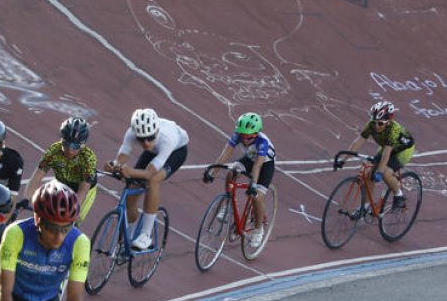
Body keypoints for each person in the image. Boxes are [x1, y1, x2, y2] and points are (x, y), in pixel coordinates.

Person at [103, 107, 189, 250]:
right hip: (154, 152)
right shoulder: (131, 133)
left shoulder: (167, 138)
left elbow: (149, 173)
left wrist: (129, 171)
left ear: (156, 132)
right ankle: (127, 238)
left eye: (150, 138)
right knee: (132, 190)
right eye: (142, 140)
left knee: (153, 181)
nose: (146, 143)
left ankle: (145, 235)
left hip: (176, 151)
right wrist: (114, 165)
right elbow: (121, 158)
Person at [207, 112, 276, 248]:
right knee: (231, 174)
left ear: (255, 134)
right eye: (242, 136)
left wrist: (253, 185)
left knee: (256, 197)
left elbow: (257, 166)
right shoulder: (237, 135)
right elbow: (225, 154)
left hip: (264, 164)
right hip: (250, 158)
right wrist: (212, 173)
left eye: (248, 137)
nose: (244, 140)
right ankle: (228, 205)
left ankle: (258, 229)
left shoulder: (263, 142)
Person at [341, 100, 415, 210]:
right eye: (374, 122)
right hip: (386, 146)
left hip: (403, 150)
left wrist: (379, 172)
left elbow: (386, 154)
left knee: (385, 173)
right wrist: (343, 160)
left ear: (388, 122)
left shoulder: (393, 130)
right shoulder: (371, 125)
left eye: (380, 123)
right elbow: (358, 142)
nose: (376, 126)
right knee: (369, 176)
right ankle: (365, 207)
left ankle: (399, 195)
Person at [24, 116, 99, 225]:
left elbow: (83, 190)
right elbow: (37, 177)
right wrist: (26, 200)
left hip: (82, 189)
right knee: (43, 212)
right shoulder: (54, 151)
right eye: (66, 144)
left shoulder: (88, 158)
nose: (70, 150)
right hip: (62, 183)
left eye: (76, 146)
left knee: (71, 223)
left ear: (83, 145)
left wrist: (72, 212)